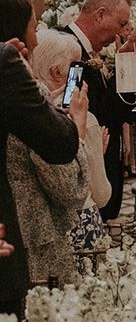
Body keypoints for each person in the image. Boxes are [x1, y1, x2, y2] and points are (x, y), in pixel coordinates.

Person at [1, 0, 90, 286]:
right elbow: (67, 189)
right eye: (34, 26)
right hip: (32, 242)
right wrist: (75, 125)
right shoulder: (29, 99)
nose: (36, 39)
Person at [64, 0, 136, 221]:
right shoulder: (68, 48)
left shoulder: (87, 51)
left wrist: (130, 63)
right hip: (85, 177)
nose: (124, 30)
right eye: (122, 24)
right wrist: (127, 65)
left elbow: (112, 111)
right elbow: (98, 114)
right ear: (100, 14)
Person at [31, 29, 112, 250]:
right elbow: (101, 194)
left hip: (37, 228)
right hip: (80, 225)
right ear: (57, 72)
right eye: (76, 68)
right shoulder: (85, 121)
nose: (81, 77)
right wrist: (94, 157)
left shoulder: (26, 116)